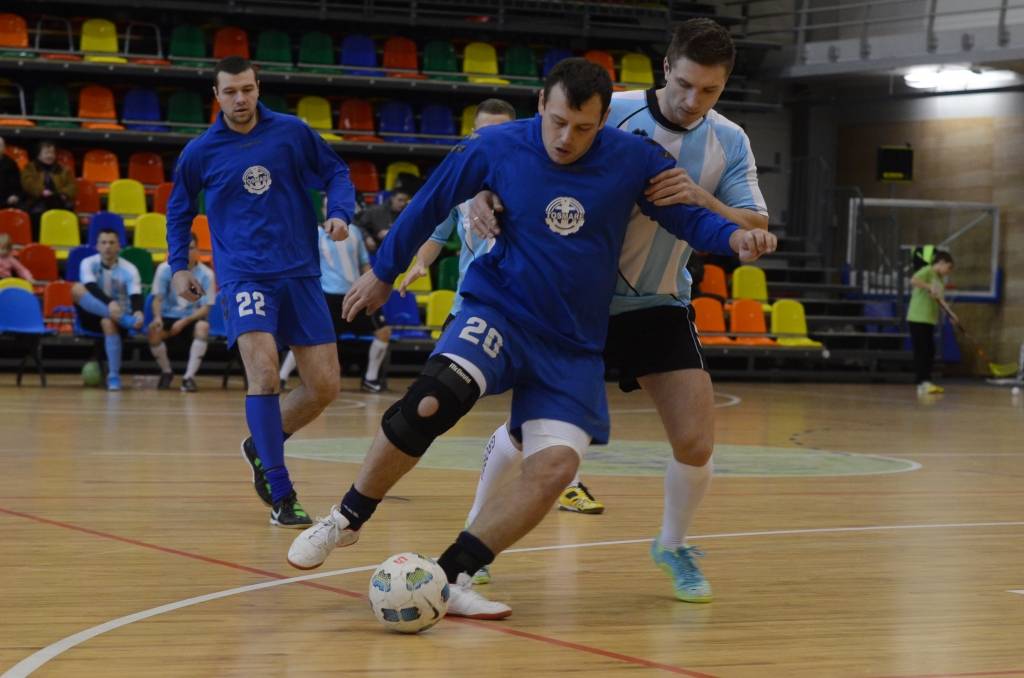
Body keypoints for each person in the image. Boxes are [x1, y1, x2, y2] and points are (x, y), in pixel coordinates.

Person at [287, 59, 776, 620]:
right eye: (560, 121)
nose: (568, 138)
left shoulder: (633, 158)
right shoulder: (496, 147)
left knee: (556, 468)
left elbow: (688, 220)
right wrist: (382, 271)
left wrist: (735, 239)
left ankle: (448, 579)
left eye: (585, 128)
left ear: (602, 122)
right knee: (433, 398)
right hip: (501, 310)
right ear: (542, 105)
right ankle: (345, 520)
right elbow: (431, 201)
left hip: (572, 342)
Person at [465, 19, 769, 603]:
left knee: (696, 440)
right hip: (571, 302)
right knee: (527, 437)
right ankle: (475, 540)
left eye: (709, 91)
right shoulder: (606, 112)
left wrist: (700, 197)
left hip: (658, 301)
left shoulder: (730, 142)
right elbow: (513, 155)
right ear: (665, 68)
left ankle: (673, 544)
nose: (692, 100)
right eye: (683, 84)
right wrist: (482, 194)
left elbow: (754, 222)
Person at [401, 98, 603, 590]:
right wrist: (420, 261)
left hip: (530, 312)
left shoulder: (532, 180)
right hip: (476, 305)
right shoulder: (464, 186)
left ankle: (552, 486)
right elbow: (436, 231)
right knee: (442, 400)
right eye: (482, 132)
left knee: (529, 416)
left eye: (501, 130)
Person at [165, 56, 356, 528]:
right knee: (265, 373)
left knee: (325, 386)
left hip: (300, 275)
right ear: (217, 95)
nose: (240, 99)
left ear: (258, 86)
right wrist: (178, 266)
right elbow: (178, 211)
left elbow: (338, 173)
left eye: (247, 89)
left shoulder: (292, 132)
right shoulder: (200, 151)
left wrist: (340, 213)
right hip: (244, 277)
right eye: (230, 92)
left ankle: (261, 444)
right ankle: (281, 491)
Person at [279, 218, 392, 393]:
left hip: (355, 294)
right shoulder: (316, 234)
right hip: (328, 295)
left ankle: (370, 378)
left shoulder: (354, 232)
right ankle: (282, 377)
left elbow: (364, 263)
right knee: (309, 337)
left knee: (383, 331)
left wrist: (372, 286)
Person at [71, 228, 143, 391]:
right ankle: (122, 319)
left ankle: (114, 377)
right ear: (97, 246)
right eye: (103, 243)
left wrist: (138, 312)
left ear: (119, 246)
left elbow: (136, 295)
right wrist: (110, 304)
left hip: (117, 320)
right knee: (76, 288)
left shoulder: (130, 269)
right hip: (93, 315)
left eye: (112, 243)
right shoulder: (88, 263)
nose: (107, 247)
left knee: (108, 322)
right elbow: (90, 286)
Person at [148, 233, 216, 393]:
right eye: (183, 248)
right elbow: (157, 299)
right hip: (168, 317)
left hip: (191, 318)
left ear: (197, 250)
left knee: (203, 327)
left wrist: (184, 321)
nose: (187, 252)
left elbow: (206, 308)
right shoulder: (164, 269)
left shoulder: (207, 274)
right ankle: (166, 372)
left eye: (191, 248)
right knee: (153, 330)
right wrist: (157, 318)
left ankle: (188, 378)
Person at [907, 250, 955, 396]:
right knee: (922, 350)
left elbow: (940, 300)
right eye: (948, 267)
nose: (948, 272)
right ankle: (922, 382)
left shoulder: (939, 280)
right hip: (917, 317)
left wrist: (951, 314)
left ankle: (926, 381)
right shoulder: (927, 271)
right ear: (941, 263)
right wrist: (928, 287)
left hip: (929, 319)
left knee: (930, 351)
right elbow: (913, 280)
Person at [20, 140, 75, 230]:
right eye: (46, 153)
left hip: (58, 201)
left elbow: (71, 186)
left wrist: (63, 193)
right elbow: (27, 183)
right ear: (39, 155)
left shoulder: (63, 169)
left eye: (52, 153)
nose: (50, 156)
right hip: (37, 201)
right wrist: (41, 191)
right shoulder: (30, 168)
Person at [356, 183, 413, 254]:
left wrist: (390, 234)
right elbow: (358, 226)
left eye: (405, 201)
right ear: (392, 198)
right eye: (400, 200)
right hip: (375, 249)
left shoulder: (407, 214)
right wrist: (367, 237)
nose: (402, 204)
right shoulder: (375, 211)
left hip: (397, 251)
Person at [0, 137, 22, 208]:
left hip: (6, 201)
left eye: (1, 145)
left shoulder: (10, 163)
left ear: (4, 148)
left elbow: (16, 184)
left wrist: (14, 195)